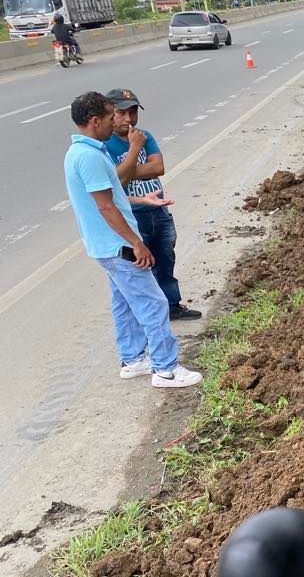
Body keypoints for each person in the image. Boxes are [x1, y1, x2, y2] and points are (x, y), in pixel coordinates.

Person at [63, 91, 202, 388]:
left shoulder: (80, 152)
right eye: (110, 116)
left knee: (124, 303)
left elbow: (109, 197)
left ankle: (133, 359)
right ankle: (166, 369)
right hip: (118, 245)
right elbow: (105, 207)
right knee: (154, 302)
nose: (116, 121)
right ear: (95, 120)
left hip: (106, 245)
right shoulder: (89, 156)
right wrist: (136, 243)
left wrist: (143, 200)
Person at [105, 88, 202, 321]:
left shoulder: (144, 135)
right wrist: (135, 151)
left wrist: (126, 171)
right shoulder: (107, 145)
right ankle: (145, 316)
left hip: (158, 210)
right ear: (110, 113)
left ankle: (172, 306)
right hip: (132, 216)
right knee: (138, 267)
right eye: (121, 113)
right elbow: (116, 180)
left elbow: (158, 168)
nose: (128, 119)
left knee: (165, 260)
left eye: (133, 112)